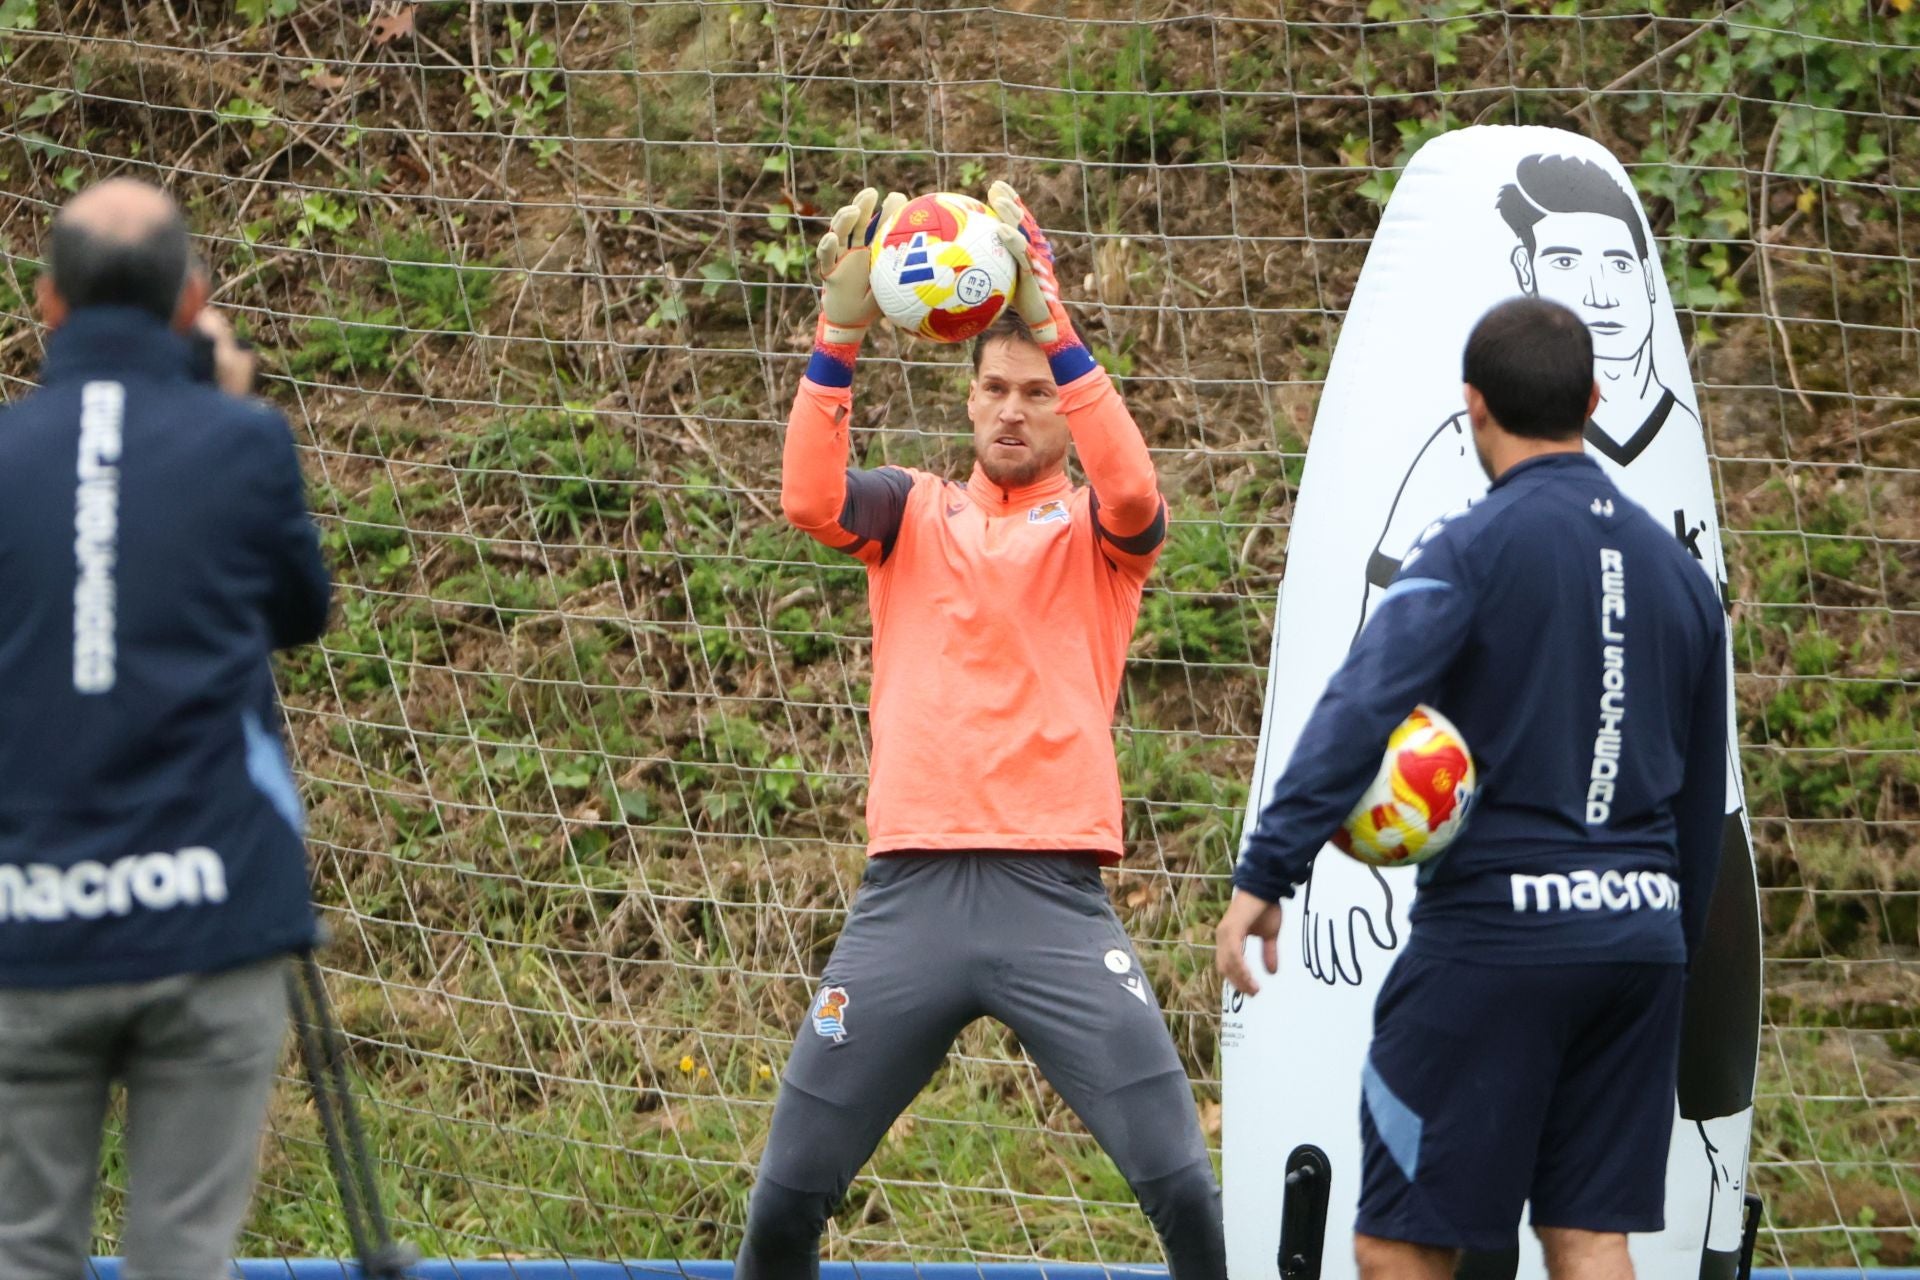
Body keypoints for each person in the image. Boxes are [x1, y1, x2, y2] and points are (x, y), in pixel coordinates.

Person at [734, 182, 1225, 1280]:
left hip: (1050, 899)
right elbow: (809, 497)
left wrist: (1057, 328)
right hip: (905, 898)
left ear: (1065, 406)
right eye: (994, 388)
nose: (1013, 408)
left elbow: (1139, 488)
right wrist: (842, 333)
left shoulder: (1100, 529)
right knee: (783, 1201)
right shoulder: (910, 508)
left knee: (1185, 1189)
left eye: (1035, 391)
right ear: (966, 400)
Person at [1216, 297, 1727, 1280]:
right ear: (1593, 397)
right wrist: (1669, 942)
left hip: (1501, 934)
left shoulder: (1471, 546)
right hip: (1641, 939)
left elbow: (1362, 704)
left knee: (1401, 1237)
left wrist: (1267, 870)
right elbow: (1700, 800)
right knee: (1590, 1232)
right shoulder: (1681, 574)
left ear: (1474, 405)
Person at [0, 178, 331, 1280]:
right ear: (193, 301)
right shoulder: (245, 444)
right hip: (210, 911)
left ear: (47, 301)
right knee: (184, 1256)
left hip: (26, 922)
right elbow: (301, 615)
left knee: (22, 1249)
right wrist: (227, 397)